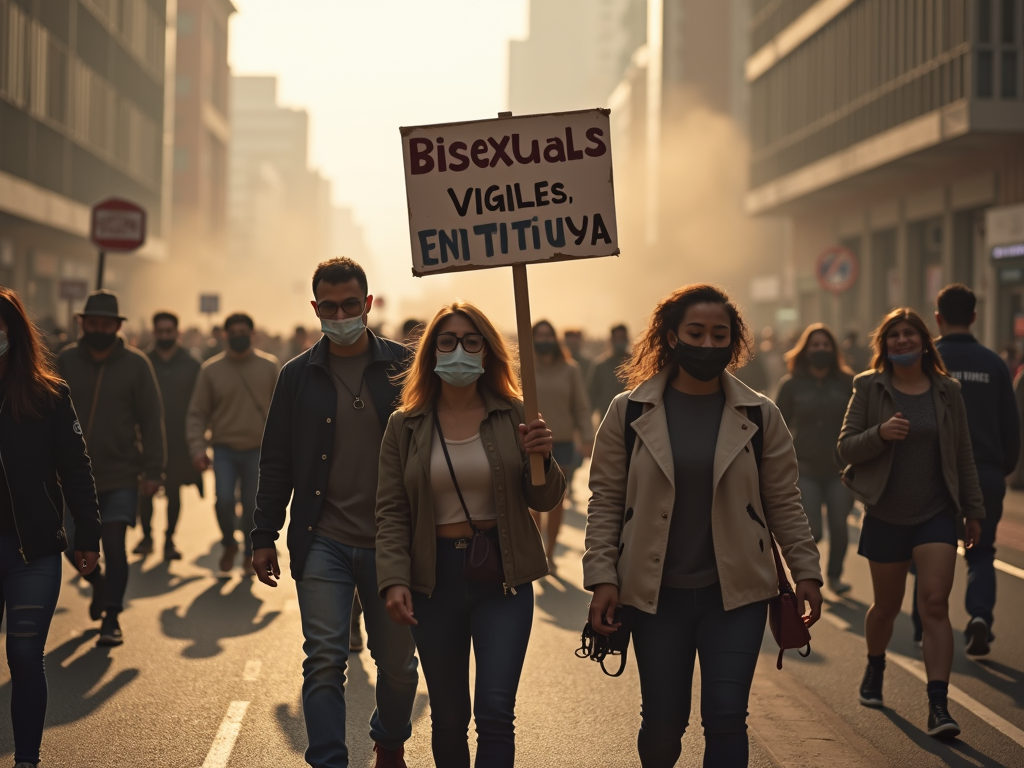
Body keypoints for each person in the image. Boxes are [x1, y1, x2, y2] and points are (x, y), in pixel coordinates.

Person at [584, 284, 822, 768]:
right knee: (663, 724)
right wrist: (602, 577)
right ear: (671, 336)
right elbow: (605, 501)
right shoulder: (628, 411)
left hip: (736, 596)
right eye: (696, 333)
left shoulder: (760, 414)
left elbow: (784, 502)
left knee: (728, 719)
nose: (709, 344)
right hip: (655, 597)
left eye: (720, 335)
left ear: (733, 341)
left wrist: (808, 573)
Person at [376, 300, 565, 768]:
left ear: (487, 351)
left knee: (496, 712)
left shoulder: (515, 413)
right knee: (448, 716)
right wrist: (394, 579)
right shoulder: (405, 425)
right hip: (434, 581)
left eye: (470, 340)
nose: (458, 350)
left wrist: (543, 455)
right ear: (431, 352)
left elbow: (543, 499)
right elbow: (392, 510)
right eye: (447, 340)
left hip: (502, 579)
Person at [251, 257, 419, 768]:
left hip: (393, 542)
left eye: (350, 304)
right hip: (321, 538)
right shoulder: (297, 376)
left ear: (368, 304)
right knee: (324, 660)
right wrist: (263, 534)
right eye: (330, 306)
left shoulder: (405, 367)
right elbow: (276, 459)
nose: (341, 313)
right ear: (315, 308)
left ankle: (389, 739)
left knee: (397, 666)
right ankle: (328, 759)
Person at [838, 307, 984, 739]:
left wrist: (972, 510)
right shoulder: (869, 386)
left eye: (909, 334)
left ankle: (938, 706)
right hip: (885, 513)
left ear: (925, 340)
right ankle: (875, 665)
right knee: (885, 608)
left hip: (937, 512)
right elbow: (845, 448)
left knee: (935, 604)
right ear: (884, 345)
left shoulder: (947, 391)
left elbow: (963, 454)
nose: (902, 341)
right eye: (894, 335)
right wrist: (880, 434)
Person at [0, 287, 101, 768]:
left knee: (24, 657)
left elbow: (76, 468)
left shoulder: (48, 394)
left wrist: (89, 536)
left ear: (14, 334)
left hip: (33, 552)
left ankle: (26, 760)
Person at [57, 290, 165, 647]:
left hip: (120, 472)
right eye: (93, 323)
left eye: (106, 323)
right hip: (70, 477)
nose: (99, 329)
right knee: (72, 544)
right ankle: (98, 583)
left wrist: (153, 470)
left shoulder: (136, 364)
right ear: (82, 324)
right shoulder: (65, 360)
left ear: (117, 326)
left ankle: (113, 616)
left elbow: (151, 420)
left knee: (115, 544)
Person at [923, 285, 1019, 655]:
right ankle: (980, 617)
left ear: (937, 318)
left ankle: (922, 625)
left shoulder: (928, 360)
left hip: (934, 474)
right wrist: (1002, 468)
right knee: (982, 552)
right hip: (986, 472)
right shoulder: (994, 363)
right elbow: (1012, 425)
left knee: (929, 548)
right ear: (975, 317)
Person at [187, 313, 279, 576]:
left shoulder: (269, 366)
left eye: (243, 331)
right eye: (233, 331)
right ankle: (229, 542)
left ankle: (250, 552)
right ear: (225, 335)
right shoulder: (211, 370)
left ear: (253, 334)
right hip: (224, 449)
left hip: (258, 450)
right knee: (224, 500)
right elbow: (197, 413)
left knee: (251, 504)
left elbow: (283, 411)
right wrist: (197, 448)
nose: (238, 335)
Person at [776, 324, 855, 594]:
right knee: (813, 532)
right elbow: (778, 427)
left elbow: (859, 423)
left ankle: (835, 577)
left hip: (839, 470)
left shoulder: (847, 382)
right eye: (815, 345)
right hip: (804, 468)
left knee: (839, 528)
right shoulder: (791, 384)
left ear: (833, 350)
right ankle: (811, 578)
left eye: (825, 345)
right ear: (805, 350)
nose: (821, 349)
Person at [137, 311, 203, 560]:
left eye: (169, 331)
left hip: (179, 437)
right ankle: (146, 536)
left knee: (174, 490)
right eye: (160, 331)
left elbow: (201, 403)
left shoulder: (191, 363)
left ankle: (169, 540)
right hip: (146, 437)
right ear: (154, 333)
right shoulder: (142, 361)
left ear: (177, 332)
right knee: (146, 488)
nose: (165, 335)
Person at [531, 320, 593, 568]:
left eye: (548, 334)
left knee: (557, 500)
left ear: (555, 339)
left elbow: (581, 406)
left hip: (563, 442)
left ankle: (550, 552)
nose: (544, 339)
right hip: (533, 443)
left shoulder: (570, 370)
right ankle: (535, 550)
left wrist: (587, 437)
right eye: (539, 335)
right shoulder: (524, 367)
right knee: (533, 501)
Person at [587, 323, 631, 421]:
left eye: (622, 338)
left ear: (627, 339)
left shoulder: (637, 364)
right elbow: (591, 398)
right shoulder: (600, 365)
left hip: (632, 421)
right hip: (607, 421)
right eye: (617, 338)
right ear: (611, 340)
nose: (619, 342)